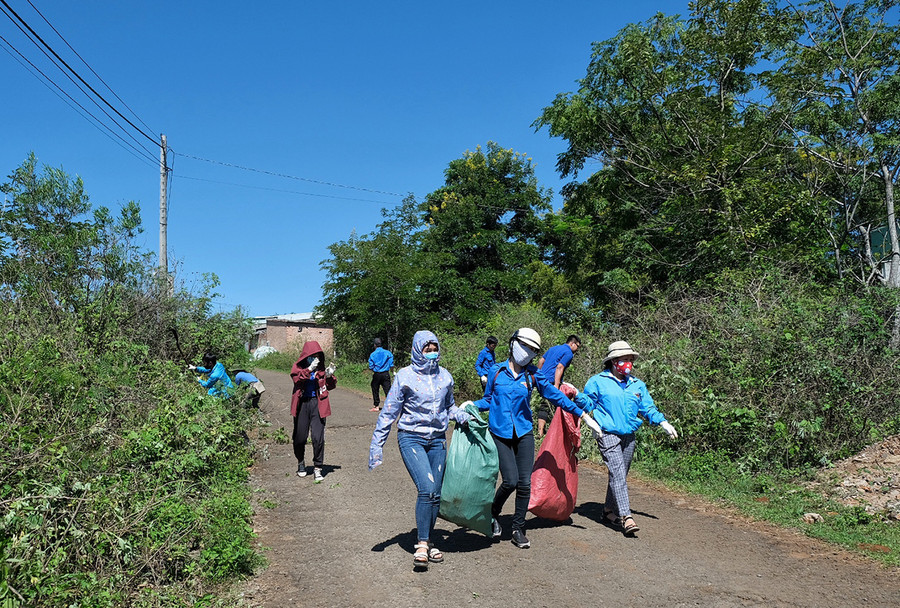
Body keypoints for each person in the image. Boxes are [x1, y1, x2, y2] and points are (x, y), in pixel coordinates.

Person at [474, 327, 602, 549]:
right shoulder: (496, 372)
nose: (527, 352)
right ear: (513, 343)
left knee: (525, 483)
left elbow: (555, 395)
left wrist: (582, 414)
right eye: (524, 346)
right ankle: (492, 514)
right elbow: (487, 400)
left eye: (533, 350)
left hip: (523, 433)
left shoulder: (533, 374)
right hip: (500, 433)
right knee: (510, 481)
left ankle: (517, 527)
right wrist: (470, 406)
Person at [369, 330, 471, 569]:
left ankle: (429, 538)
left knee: (435, 492)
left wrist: (463, 416)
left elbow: (449, 407)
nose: (432, 353)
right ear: (417, 350)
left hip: (437, 440)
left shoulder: (445, 377)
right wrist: (377, 446)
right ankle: (423, 544)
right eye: (427, 349)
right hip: (411, 438)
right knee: (426, 488)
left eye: (435, 348)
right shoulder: (404, 376)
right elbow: (389, 413)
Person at [572, 340, 678, 536]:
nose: (629, 362)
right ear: (613, 361)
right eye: (625, 359)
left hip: (629, 436)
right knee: (618, 473)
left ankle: (607, 510)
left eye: (631, 359)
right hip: (608, 433)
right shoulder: (598, 381)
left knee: (619, 474)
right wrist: (576, 394)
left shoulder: (637, 385)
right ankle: (626, 517)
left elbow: (647, 408)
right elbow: (588, 403)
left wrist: (663, 423)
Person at [290, 341, 337, 483]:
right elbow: (297, 379)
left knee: (318, 437)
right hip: (302, 404)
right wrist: (309, 369)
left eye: (317, 356)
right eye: (311, 356)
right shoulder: (298, 367)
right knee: (300, 438)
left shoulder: (321, 369)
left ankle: (318, 468)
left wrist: (329, 376)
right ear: (306, 356)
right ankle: (301, 462)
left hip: (318, 404)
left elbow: (330, 386)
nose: (314, 359)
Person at [535, 335, 582, 438]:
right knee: (557, 406)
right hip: (552, 381)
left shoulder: (553, 348)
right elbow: (560, 367)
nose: (577, 349)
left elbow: (541, 361)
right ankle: (557, 434)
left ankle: (540, 432)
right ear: (572, 343)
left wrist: (536, 377)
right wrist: (556, 385)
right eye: (577, 346)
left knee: (545, 405)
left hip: (541, 380)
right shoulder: (568, 352)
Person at [368, 338, 394, 412]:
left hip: (377, 374)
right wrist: (391, 371)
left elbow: (371, 366)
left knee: (375, 389)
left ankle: (376, 406)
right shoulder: (388, 353)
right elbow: (391, 364)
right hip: (386, 373)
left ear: (375, 345)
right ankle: (390, 406)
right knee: (388, 389)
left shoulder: (372, 354)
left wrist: (375, 370)